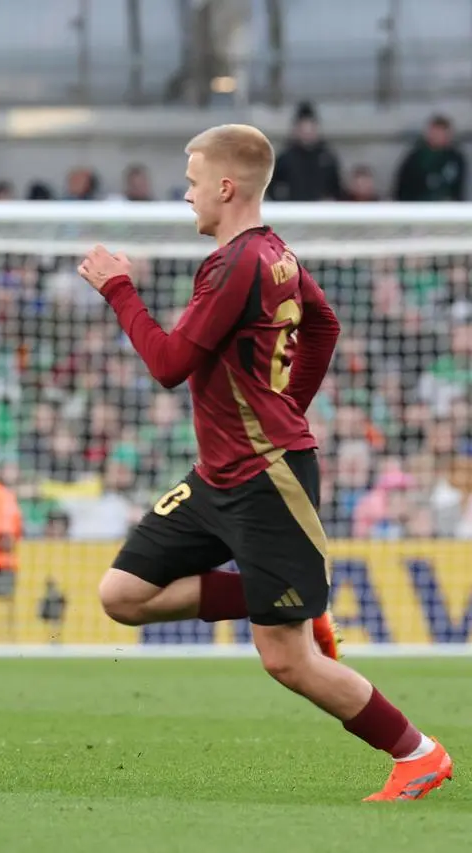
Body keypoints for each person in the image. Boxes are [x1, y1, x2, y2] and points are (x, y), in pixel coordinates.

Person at [76, 124, 452, 802]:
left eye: (191, 182)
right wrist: (287, 407)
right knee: (122, 595)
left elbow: (167, 364)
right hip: (221, 471)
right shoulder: (272, 253)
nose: (185, 194)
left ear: (225, 186)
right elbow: (323, 324)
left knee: (286, 660)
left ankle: (417, 752)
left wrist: (118, 288)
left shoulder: (235, 264)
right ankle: (297, 606)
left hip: (265, 479)